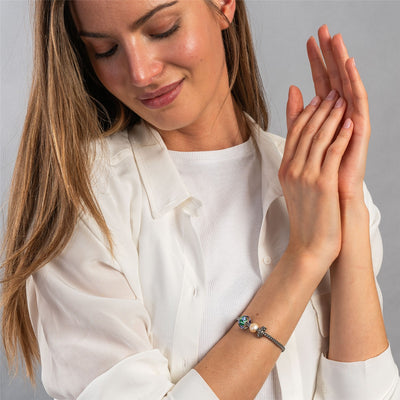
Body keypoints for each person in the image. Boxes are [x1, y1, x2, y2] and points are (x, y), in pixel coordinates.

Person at [1, 0, 399, 399]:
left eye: (162, 29)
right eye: (106, 50)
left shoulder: (318, 183)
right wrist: (304, 258)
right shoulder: (85, 202)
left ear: (223, 5)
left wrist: (348, 204)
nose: (141, 73)